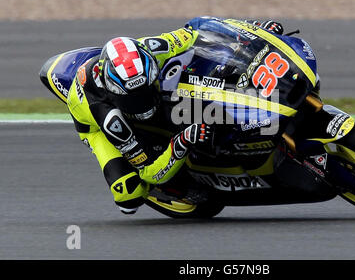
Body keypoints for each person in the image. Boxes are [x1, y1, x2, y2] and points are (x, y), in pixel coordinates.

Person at [66, 18, 284, 214]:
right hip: (95, 127)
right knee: (129, 195)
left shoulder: (153, 48)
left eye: (145, 90)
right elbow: (150, 170)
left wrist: (255, 31)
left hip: (139, 80)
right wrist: (182, 140)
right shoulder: (109, 117)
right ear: (115, 92)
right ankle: (172, 189)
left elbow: (199, 28)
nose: (142, 104)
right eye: (133, 98)